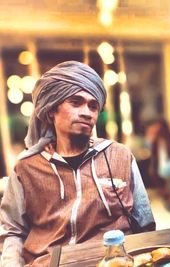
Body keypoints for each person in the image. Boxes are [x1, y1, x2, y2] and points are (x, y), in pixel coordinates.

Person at [0, 61, 155, 266]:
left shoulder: (119, 155)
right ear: (50, 112)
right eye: (76, 102)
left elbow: (145, 223)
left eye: (93, 106)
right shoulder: (26, 168)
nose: (87, 112)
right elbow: (13, 232)